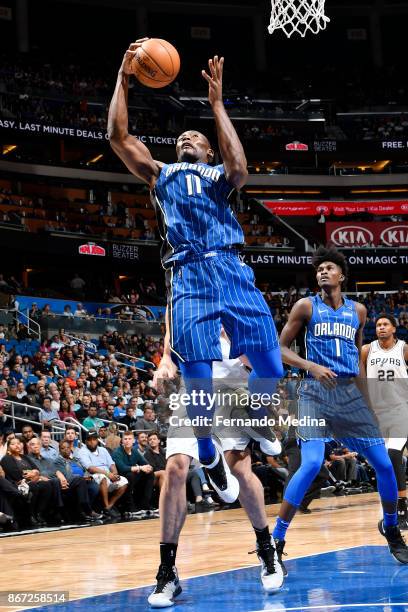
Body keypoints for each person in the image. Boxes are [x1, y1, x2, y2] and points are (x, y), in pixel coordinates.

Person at [108, 41, 284, 503]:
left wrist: (217, 105)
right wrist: (124, 79)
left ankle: (261, 418)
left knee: (271, 364)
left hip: (230, 267)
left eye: (195, 138)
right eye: (181, 137)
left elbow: (241, 166)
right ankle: (208, 455)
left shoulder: (219, 179)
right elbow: (117, 138)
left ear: (208, 150)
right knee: (198, 382)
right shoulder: (161, 174)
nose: (186, 139)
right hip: (188, 275)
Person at [271, 246, 408, 572]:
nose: (323, 272)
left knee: (385, 464)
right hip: (314, 394)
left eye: (329, 267)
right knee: (311, 463)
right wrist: (310, 366)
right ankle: (276, 541)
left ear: (341, 275)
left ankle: (391, 528)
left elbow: (357, 360)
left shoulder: (358, 311)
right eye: (319, 268)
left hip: (350, 396)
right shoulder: (305, 306)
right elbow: (279, 348)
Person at [147, 329, 283, 607]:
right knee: (175, 468)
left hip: (233, 384)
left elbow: (259, 353)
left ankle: (267, 549)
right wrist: (166, 361)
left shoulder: (234, 291)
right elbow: (172, 331)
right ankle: (167, 571)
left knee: (241, 470)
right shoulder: (181, 291)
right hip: (194, 386)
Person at [361, 313, 408, 529]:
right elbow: (359, 375)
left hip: (400, 410)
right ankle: (392, 506)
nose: (381, 328)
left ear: (394, 329)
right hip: (376, 414)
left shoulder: (404, 348)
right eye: (378, 325)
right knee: (383, 463)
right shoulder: (367, 350)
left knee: (394, 454)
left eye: (385, 324)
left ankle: (402, 508)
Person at [77, 430, 128, 519]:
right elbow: (90, 468)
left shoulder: (103, 450)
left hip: (108, 475)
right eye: (89, 440)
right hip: (92, 476)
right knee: (102, 477)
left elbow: (112, 464)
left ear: (97, 440)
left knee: (124, 481)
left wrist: (114, 474)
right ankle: (106, 506)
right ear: (85, 441)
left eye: (94, 439)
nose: (92, 442)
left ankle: (109, 506)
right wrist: (108, 474)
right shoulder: (82, 451)